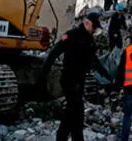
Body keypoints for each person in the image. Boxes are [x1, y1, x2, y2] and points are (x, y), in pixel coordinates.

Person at [40, 12, 112, 141]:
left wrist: (105, 73)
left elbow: (93, 59)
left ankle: (71, 137)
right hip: (69, 79)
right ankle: (66, 137)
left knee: (75, 112)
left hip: (80, 80)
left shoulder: (89, 39)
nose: (95, 30)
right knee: (74, 111)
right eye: (94, 27)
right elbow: (54, 52)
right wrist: (44, 72)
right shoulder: (71, 35)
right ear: (87, 23)